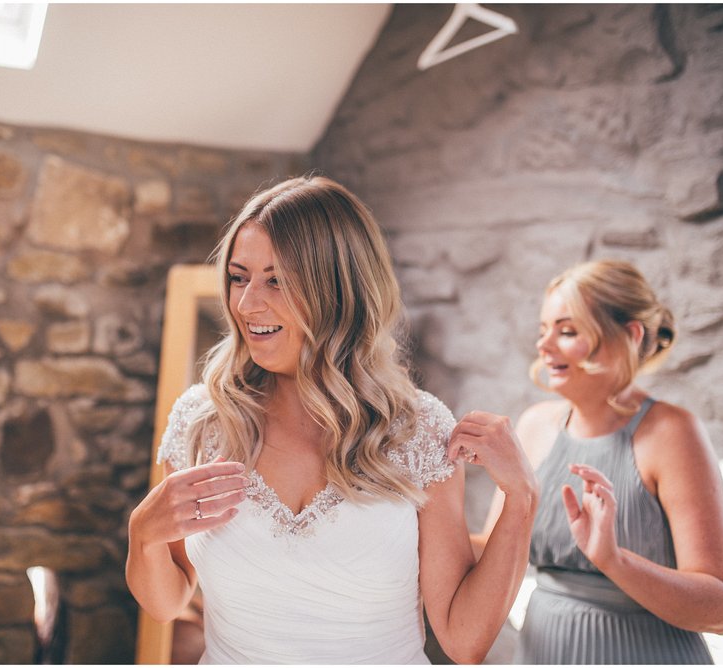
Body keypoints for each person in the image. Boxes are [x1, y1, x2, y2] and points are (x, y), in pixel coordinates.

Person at [127, 175, 539, 663]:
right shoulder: (202, 421)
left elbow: (464, 639)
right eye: (240, 277)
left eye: (276, 280)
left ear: (339, 289)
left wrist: (521, 499)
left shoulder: (416, 431)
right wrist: (143, 533)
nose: (246, 303)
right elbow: (165, 601)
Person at [476, 259, 723, 664]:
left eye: (567, 331)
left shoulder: (672, 432)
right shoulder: (534, 426)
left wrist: (613, 560)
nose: (544, 347)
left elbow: (722, 609)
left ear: (630, 336)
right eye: (544, 331)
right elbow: (490, 549)